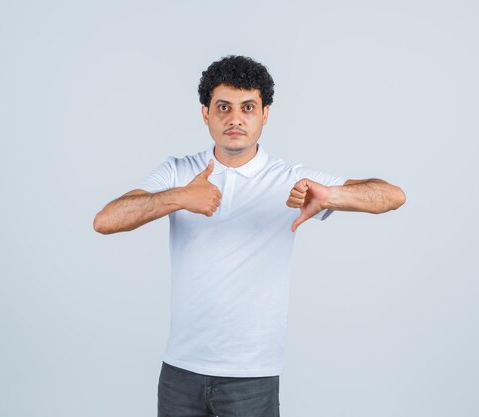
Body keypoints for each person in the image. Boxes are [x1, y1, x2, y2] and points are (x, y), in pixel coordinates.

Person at [93, 55, 406, 417]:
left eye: (248, 107)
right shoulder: (179, 172)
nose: (235, 119)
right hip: (180, 372)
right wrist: (179, 196)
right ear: (205, 113)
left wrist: (331, 196)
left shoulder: (289, 178)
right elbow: (106, 220)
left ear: (265, 114)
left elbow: (392, 196)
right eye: (223, 107)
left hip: (251, 378)